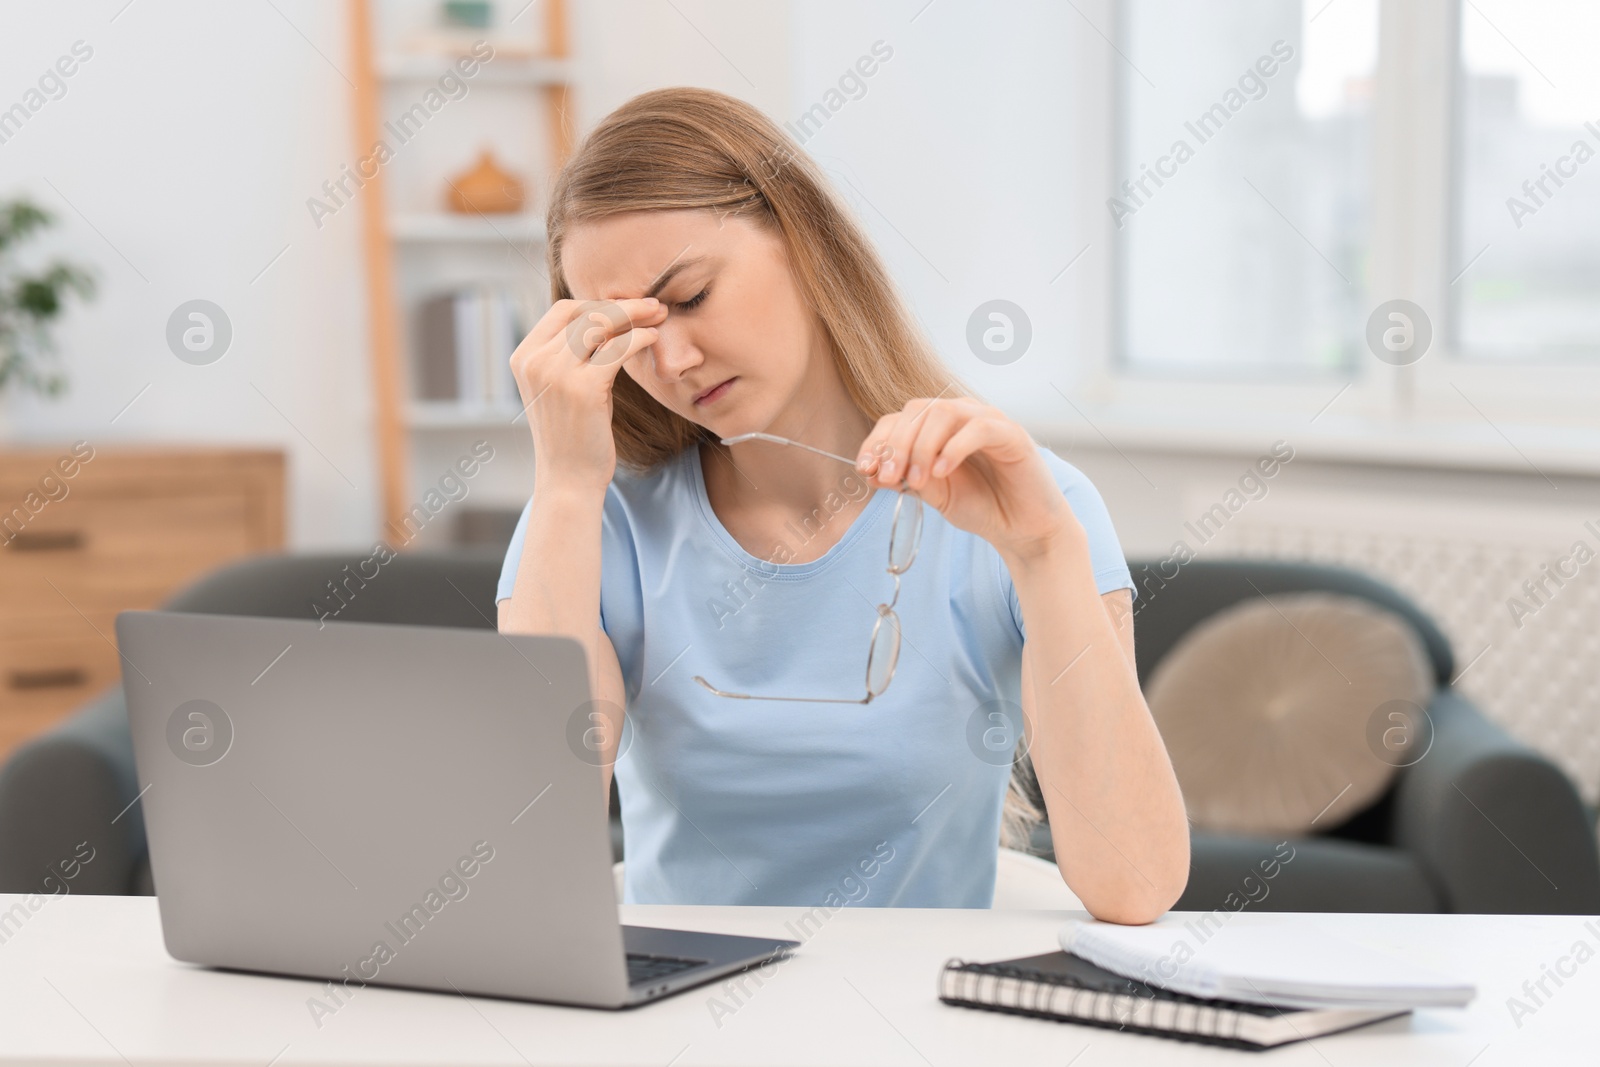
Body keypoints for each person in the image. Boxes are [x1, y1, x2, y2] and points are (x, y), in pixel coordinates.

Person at [496, 87, 1187, 922]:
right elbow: (524, 859)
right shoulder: (591, 520)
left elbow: (1136, 883)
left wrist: (1043, 551)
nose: (671, 358)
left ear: (801, 239)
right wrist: (565, 489)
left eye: (690, 297)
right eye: (628, 337)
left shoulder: (1028, 504)